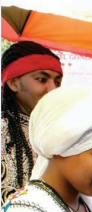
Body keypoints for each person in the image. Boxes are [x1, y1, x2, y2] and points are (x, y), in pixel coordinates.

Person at [1, 41, 63, 202]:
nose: (53, 89)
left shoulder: (62, 131)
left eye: (57, 82)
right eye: (42, 79)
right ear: (13, 83)